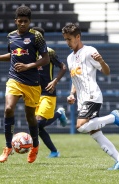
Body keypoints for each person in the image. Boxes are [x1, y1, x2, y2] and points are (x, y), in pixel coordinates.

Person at [0, 6, 50, 163]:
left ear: (30, 21)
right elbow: (12, 55)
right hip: (15, 79)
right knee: (8, 109)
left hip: (32, 82)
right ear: (15, 21)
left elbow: (46, 59)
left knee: (30, 117)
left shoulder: (36, 36)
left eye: (26, 21)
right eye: (20, 21)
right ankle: (7, 148)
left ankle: (35, 146)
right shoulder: (11, 36)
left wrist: (28, 66)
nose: (23, 23)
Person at [62, 23, 119, 170]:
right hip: (82, 100)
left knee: (80, 127)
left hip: (92, 95)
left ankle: (113, 117)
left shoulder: (89, 51)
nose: (67, 42)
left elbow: (106, 71)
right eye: (65, 39)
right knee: (94, 133)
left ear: (78, 37)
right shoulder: (70, 58)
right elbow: (75, 79)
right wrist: (71, 94)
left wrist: (101, 61)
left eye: (69, 39)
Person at [31, 27, 68, 158]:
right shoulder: (29, 52)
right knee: (37, 127)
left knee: (38, 123)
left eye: (36, 36)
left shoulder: (49, 52)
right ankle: (54, 151)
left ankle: (59, 114)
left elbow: (63, 67)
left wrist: (55, 81)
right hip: (34, 93)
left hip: (48, 92)